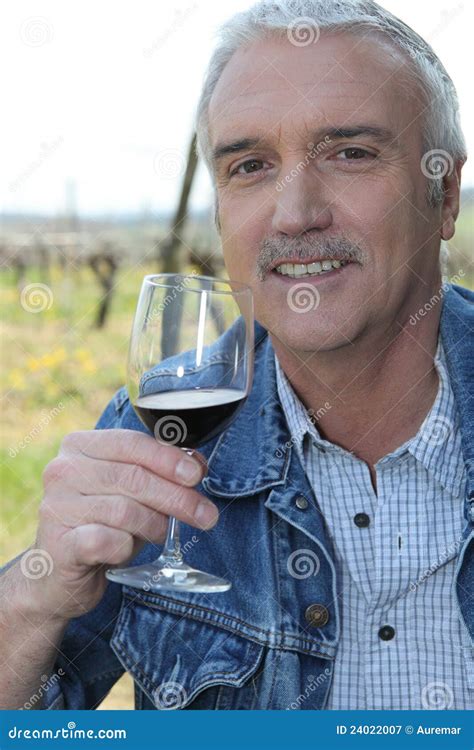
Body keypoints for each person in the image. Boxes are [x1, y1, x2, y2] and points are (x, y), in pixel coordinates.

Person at [1, 0, 472, 711]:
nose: (294, 213)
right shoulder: (151, 433)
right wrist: (33, 596)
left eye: (350, 153)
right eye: (250, 165)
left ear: (443, 195)